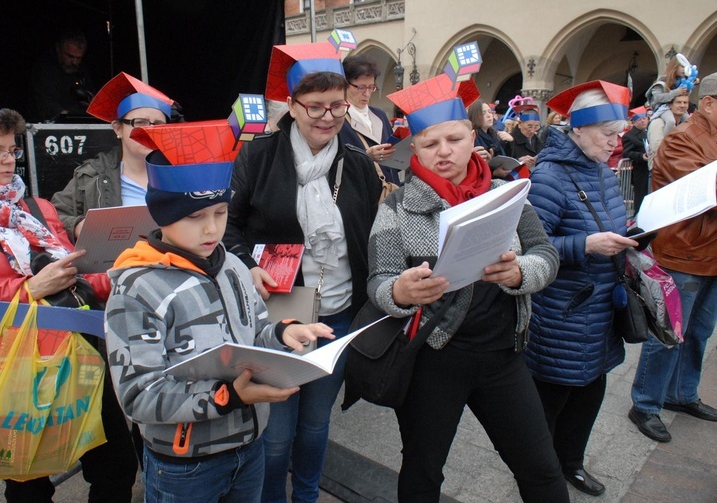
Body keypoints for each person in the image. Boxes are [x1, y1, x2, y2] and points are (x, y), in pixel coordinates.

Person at [103, 119, 334, 502]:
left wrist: (280, 334)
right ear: (162, 215)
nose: (211, 230)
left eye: (221, 213)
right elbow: (137, 395)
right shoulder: (137, 288)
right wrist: (228, 396)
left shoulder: (233, 266)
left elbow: (255, 332)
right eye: (194, 217)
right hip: (186, 465)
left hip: (249, 449)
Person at [371, 71, 568, 503]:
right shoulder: (397, 207)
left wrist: (519, 274)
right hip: (433, 360)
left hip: (504, 356)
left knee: (540, 467)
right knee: (423, 471)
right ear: (415, 148)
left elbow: (545, 255)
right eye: (430, 143)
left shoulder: (507, 193)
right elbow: (379, 281)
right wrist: (401, 293)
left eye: (454, 140)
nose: (443, 152)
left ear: (471, 135)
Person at [223, 42, 382, 503]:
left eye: (337, 105)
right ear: (292, 107)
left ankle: (306, 497)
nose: (328, 116)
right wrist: (249, 263)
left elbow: (373, 232)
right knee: (275, 435)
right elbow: (228, 225)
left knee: (316, 425)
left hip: (337, 315)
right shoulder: (258, 156)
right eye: (315, 106)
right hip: (280, 315)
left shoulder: (356, 162)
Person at [0, 81, 136, 503]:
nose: (10, 160)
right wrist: (28, 290)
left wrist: (120, 272)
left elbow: (73, 279)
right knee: (27, 480)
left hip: (75, 347)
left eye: (12, 149)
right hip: (4, 361)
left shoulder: (37, 208)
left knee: (117, 461)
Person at [524, 81, 639, 497]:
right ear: (580, 128)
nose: (615, 142)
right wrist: (585, 245)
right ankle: (543, 472)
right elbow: (530, 244)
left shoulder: (602, 170)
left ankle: (571, 462)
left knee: (590, 392)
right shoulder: (550, 175)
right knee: (552, 399)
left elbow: (611, 223)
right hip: (564, 312)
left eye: (619, 134)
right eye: (608, 134)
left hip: (600, 309)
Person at [629, 72, 717, 442]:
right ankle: (646, 404)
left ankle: (681, 394)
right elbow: (705, 192)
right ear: (710, 103)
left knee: (699, 331)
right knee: (669, 332)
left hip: (710, 252)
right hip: (684, 251)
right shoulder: (685, 139)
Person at [51, 72, 175, 241]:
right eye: (139, 123)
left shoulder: (180, 175)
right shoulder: (91, 175)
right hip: (113, 265)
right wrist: (79, 226)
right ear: (118, 129)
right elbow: (53, 216)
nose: (149, 131)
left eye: (158, 125)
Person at [340, 53, 400, 185]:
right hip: (361, 191)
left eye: (371, 87)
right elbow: (336, 163)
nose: (367, 94)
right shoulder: (338, 119)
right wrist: (366, 156)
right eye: (361, 87)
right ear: (345, 84)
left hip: (390, 190)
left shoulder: (380, 115)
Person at [28, 30, 96, 122]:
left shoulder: (83, 72)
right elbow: (46, 104)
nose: (74, 62)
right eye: (70, 57)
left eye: (78, 58)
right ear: (58, 48)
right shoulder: (45, 70)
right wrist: (67, 116)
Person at [645, 55, 694, 135]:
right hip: (664, 108)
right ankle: (667, 142)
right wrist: (676, 92)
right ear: (675, 67)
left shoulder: (682, 81)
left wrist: (690, 86)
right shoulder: (663, 81)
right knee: (671, 121)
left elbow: (685, 97)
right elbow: (658, 98)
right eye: (682, 66)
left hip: (677, 107)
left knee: (689, 122)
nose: (684, 69)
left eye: (686, 66)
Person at [647, 94, 689, 168]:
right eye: (678, 102)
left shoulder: (684, 123)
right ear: (669, 105)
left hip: (678, 168)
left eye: (685, 103)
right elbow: (657, 148)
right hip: (660, 170)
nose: (682, 105)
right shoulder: (658, 123)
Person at [622, 106, 650, 213]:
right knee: (641, 195)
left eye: (644, 118)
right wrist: (641, 156)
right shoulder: (629, 136)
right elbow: (627, 153)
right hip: (641, 169)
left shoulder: (652, 131)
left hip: (653, 167)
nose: (643, 121)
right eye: (639, 119)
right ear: (633, 122)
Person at [511, 104, 544, 170]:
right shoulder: (509, 140)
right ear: (520, 124)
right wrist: (518, 161)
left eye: (536, 126)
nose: (532, 131)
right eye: (529, 126)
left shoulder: (539, 141)